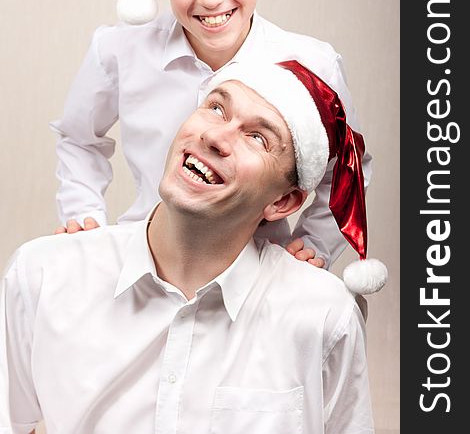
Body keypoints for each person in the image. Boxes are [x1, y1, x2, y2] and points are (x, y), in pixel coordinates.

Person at [1, 60, 385, 433]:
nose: (216, 137)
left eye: (257, 137)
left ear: (282, 203)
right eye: (216, 108)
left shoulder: (323, 313)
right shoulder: (43, 275)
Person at [50, 0, 372, 269]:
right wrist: (84, 214)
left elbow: (346, 165)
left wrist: (316, 242)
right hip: (147, 259)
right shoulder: (119, 49)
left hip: (258, 268)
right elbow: (79, 138)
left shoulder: (313, 65)